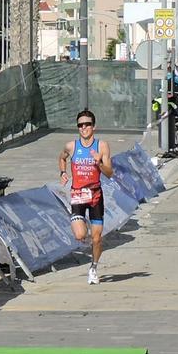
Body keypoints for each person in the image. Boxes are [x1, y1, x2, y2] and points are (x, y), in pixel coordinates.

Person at [61, 108, 113, 285]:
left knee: (97, 238)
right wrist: (62, 172)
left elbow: (109, 173)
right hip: (78, 195)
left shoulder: (102, 146)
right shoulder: (71, 146)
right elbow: (62, 157)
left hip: (96, 196)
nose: (84, 128)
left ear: (94, 127)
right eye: (80, 125)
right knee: (80, 235)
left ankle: (93, 267)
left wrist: (98, 163)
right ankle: (80, 226)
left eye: (87, 125)